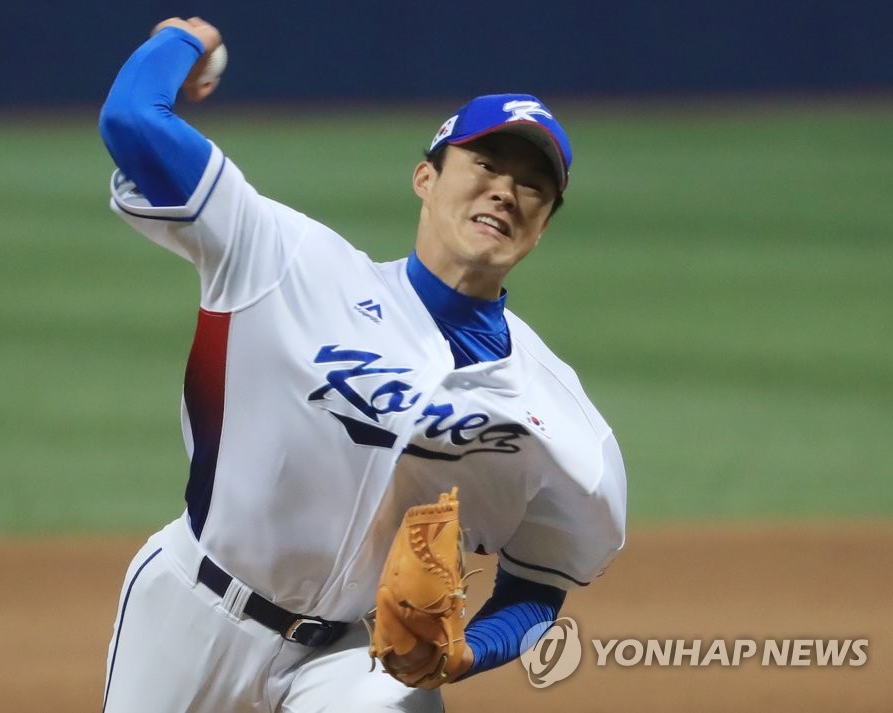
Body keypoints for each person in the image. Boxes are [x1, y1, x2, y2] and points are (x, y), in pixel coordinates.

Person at [97, 15, 626, 713]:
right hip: (189, 612)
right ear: (426, 178)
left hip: (352, 661)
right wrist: (183, 39)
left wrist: (468, 652)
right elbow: (132, 119)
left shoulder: (561, 419)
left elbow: (539, 584)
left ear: (544, 223)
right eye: (486, 164)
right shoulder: (284, 259)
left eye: (533, 184)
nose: (506, 190)